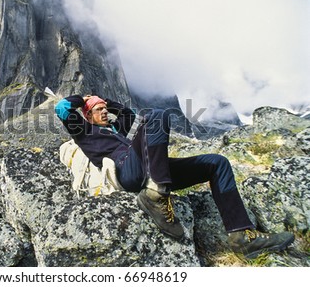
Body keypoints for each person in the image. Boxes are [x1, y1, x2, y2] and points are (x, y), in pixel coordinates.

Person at [55, 94, 295, 258]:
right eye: (99, 110)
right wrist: (83, 100)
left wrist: (104, 100)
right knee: (158, 115)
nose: (105, 111)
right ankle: (156, 195)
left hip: (147, 168)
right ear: (87, 115)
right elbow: (61, 108)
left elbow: (128, 114)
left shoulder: (118, 128)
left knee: (216, 163)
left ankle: (242, 236)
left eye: (105, 108)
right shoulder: (84, 131)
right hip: (125, 171)